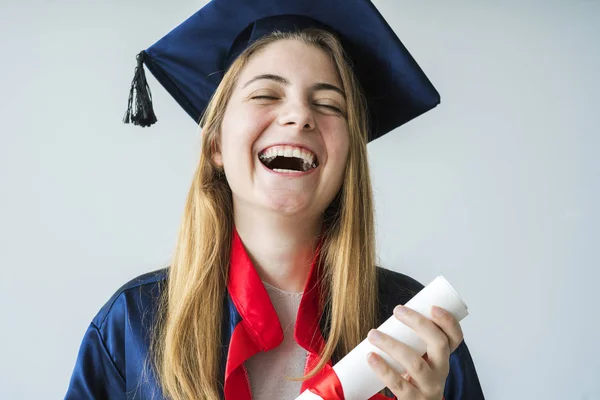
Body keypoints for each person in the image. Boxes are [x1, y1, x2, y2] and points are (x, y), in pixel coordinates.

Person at [66, 0, 485, 399]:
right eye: (266, 95)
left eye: (327, 103)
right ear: (216, 146)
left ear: (348, 158)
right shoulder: (132, 326)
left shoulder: (412, 328)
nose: (299, 115)